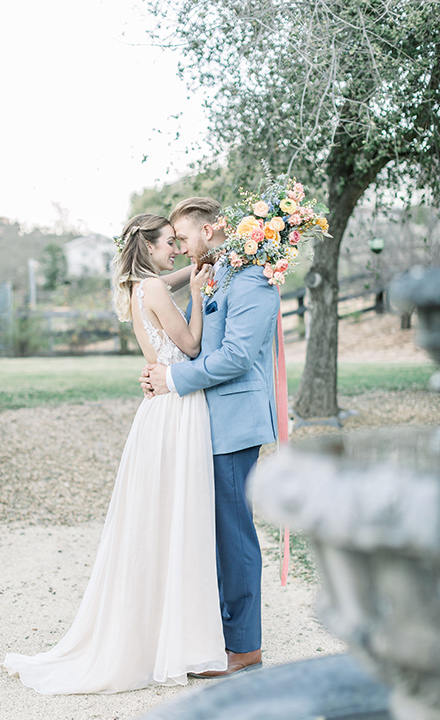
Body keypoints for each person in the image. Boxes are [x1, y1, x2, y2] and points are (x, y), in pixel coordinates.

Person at [3, 214, 228, 694]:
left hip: (157, 413)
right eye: (170, 243)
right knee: (179, 517)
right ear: (148, 245)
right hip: (177, 408)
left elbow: (167, 280)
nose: (176, 250)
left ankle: (165, 632)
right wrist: (198, 298)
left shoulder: (135, 286)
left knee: (159, 518)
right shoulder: (155, 291)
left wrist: (192, 272)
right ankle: (177, 639)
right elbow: (189, 346)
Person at [141, 197, 280, 677]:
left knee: (233, 534)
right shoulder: (221, 272)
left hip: (234, 423)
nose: (177, 246)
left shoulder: (255, 280)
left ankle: (244, 646)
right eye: (172, 241)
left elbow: (238, 357)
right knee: (211, 533)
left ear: (210, 229)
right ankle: (216, 637)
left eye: (181, 237)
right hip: (205, 423)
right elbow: (159, 294)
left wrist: (174, 380)